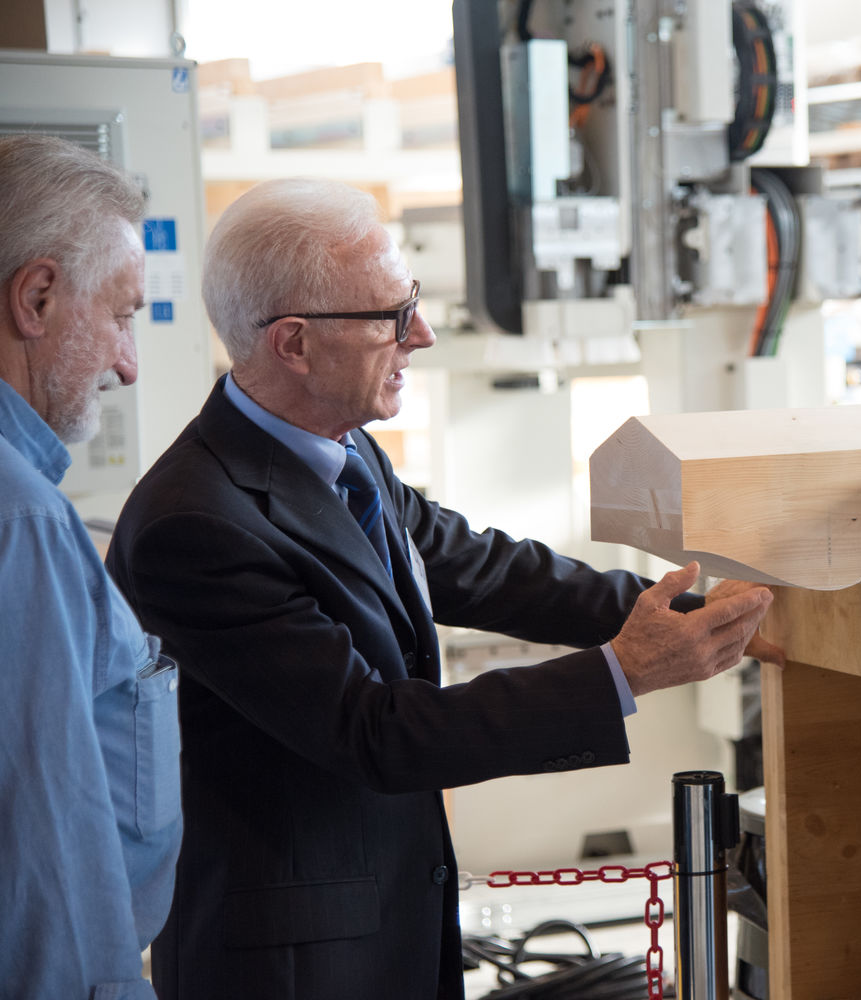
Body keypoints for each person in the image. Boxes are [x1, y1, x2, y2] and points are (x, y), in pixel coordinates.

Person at [104, 178, 779, 1000]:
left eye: (412, 302)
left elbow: (483, 567)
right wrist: (623, 671)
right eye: (390, 316)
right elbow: (375, 732)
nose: (419, 334)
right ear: (292, 343)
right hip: (294, 966)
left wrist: (688, 611)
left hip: (387, 929)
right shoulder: (195, 526)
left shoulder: (343, 451)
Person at [0, 134, 181, 997]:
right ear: (35, 297)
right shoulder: (22, 519)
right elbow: (50, 861)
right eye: (121, 314)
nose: (127, 363)